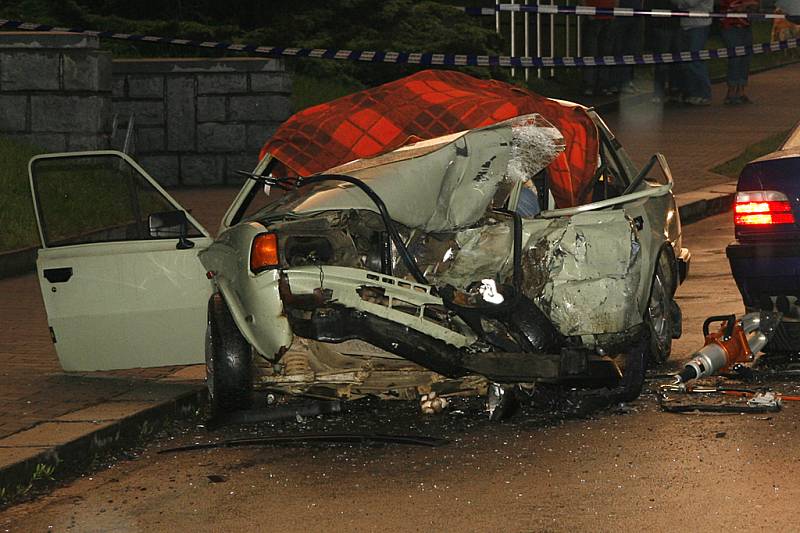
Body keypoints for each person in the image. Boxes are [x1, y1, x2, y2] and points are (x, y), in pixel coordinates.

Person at [672, 0, 713, 105]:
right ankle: (692, 92)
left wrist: (679, 4)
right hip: (686, 24)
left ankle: (704, 93)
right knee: (686, 61)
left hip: (700, 24)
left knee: (695, 60)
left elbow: (690, 2)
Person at [720, 0, 757, 104]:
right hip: (731, 26)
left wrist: (747, 5)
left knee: (746, 59)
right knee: (735, 58)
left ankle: (741, 91)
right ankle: (731, 91)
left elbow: (755, 4)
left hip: (746, 27)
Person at [646, 0, 682, 103]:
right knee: (661, 62)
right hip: (661, 24)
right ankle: (659, 92)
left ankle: (674, 90)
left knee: (676, 60)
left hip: (674, 23)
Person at [582, 0, 618, 96]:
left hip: (607, 17)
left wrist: (614, 12)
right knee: (592, 52)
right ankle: (590, 84)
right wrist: (588, 12)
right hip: (596, 16)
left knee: (606, 53)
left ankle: (602, 84)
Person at [615, 0, 646, 94]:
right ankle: (620, 82)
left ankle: (627, 80)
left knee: (632, 49)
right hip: (623, 14)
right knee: (621, 49)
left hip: (635, 13)